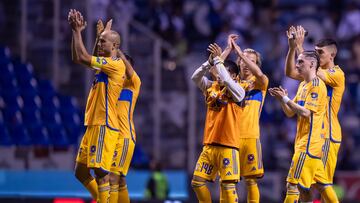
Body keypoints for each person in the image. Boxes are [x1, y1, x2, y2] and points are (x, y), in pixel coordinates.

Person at [68, 9, 126, 203]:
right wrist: (95, 35)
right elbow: (81, 58)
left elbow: (84, 58)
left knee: (101, 171)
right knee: (81, 171)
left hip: (104, 124)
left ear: (115, 45)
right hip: (94, 123)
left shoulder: (116, 64)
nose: (99, 44)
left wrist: (77, 31)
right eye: (99, 41)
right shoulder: (106, 64)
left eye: (103, 41)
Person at [269, 50, 338, 203]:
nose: (297, 65)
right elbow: (290, 113)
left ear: (312, 64)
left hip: (308, 145)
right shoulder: (302, 85)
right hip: (305, 142)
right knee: (323, 185)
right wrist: (282, 100)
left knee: (292, 185)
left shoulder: (316, 85)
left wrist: (286, 99)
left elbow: (306, 113)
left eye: (300, 61)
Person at [285, 25, 344, 202]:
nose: (317, 56)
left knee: (320, 183)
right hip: (316, 132)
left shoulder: (337, 74)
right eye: (315, 52)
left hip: (327, 134)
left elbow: (312, 67)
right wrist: (293, 48)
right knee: (316, 183)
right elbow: (290, 72)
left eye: (320, 53)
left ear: (332, 55)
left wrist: (300, 47)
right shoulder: (311, 78)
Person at [190, 43, 245, 203]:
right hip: (209, 145)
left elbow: (227, 80)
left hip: (228, 146)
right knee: (197, 182)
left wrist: (219, 62)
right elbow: (195, 77)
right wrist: (209, 63)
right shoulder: (210, 87)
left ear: (234, 76)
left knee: (228, 187)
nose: (219, 75)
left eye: (225, 72)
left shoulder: (239, 91)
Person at [222, 35, 268, 203]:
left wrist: (241, 54)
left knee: (250, 180)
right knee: (227, 180)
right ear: (239, 63)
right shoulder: (231, 82)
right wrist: (228, 50)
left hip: (250, 136)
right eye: (243, 60)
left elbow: (259, 73)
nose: (247, 63)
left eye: (252, 61)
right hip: (229, 137)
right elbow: (216, 71)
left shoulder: (261, 83)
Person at [109, 50, 141, 203]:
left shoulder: (133, 84)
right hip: (112, 137)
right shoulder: (112, 86)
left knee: (112, 177)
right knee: (120, 180)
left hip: (125, 137)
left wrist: (118, 52)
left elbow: (128, 71)